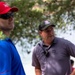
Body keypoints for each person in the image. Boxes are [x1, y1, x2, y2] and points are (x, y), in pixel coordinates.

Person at [0, 1, 26, 75]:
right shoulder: (2, 45)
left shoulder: (7, 42)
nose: (11, 18)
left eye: (11, 14)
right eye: (5, 16)